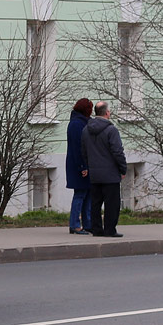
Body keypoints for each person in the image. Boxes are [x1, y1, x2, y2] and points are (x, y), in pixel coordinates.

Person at [80, 100, 128, 238]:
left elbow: (83, 152)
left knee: (95, 203)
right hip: (110, 173)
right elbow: (117, 152)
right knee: (112, 204)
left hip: (95, 173)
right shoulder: (111, 130)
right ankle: (109, 230)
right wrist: (122, 168)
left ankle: (97, 229)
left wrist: (90, 166)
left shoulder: (86, 130)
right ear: (107, 113)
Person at [65, 98, 94, 234]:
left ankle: (87, 223)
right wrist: (82, 167)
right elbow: (78, 148)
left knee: (87, 193)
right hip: (79, 165)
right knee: (80, 194)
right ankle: (75, 224)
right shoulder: (77, 124)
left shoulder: (80, 122)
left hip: (83, 164)